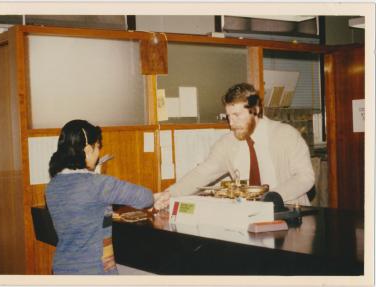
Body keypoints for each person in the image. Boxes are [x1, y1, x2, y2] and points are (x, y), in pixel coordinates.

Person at [154, 83, 315, 209]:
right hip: (250, 216)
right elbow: (202, 173)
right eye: (228, 116)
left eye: (237, 115)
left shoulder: (286, 134)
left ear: (256, 110)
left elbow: (305, 177)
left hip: (291, 212)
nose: (231, 123)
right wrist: (170, 193)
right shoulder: (227, 143)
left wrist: (276, 196)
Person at [45, 119, 154, 275]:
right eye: (97, 147)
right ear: (88, 149)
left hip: (62, 270)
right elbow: (146, 198)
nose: (98, 154)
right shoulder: (98, 184)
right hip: (95, 273)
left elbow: (83, 205)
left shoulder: (52, 186)